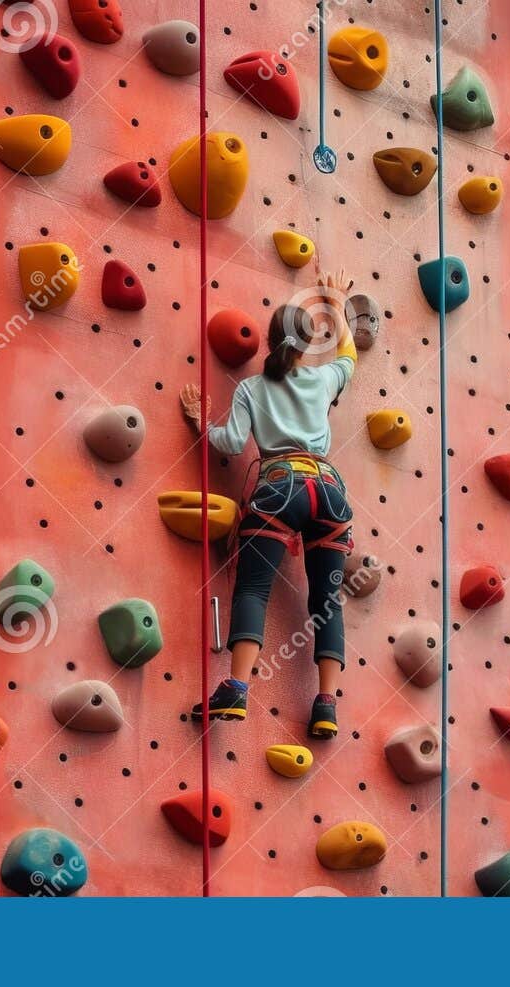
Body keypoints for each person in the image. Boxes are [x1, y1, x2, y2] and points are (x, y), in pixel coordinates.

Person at [182, 270, 358, 739]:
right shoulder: (324, 380)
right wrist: (336, 303)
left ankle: (236, 690)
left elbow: (231, 442)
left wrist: (200, 421)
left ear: (270, 344)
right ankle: (325, 706)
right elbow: (348, 354)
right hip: (330, 492)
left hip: (280, 487)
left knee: (254, 589)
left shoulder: (250, 390)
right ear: (305, 346)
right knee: (326, 602)